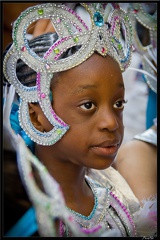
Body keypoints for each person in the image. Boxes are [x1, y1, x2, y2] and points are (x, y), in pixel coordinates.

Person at [3, 2, 157, 237]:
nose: (111, 123)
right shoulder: (25, 219)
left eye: (118, 104)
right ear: (37, 117)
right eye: (88, 105)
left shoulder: (117, 194)